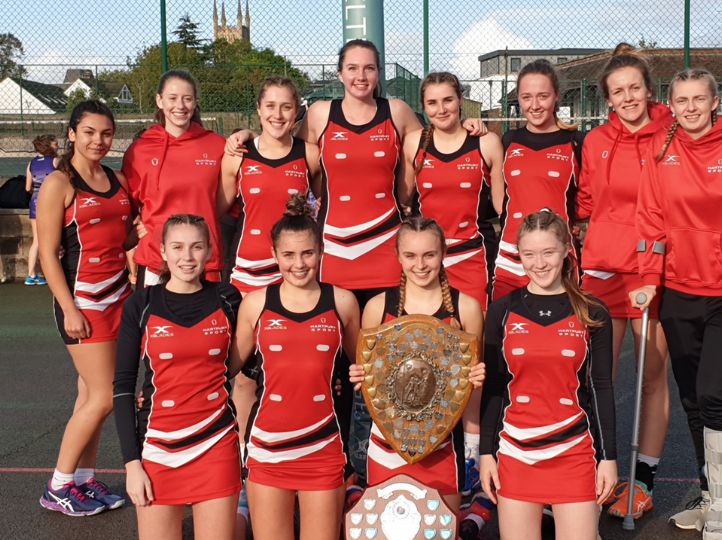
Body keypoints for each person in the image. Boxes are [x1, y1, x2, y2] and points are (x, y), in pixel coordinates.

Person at [226, 39, 485, 484]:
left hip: (384, 254)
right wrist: (246, 135)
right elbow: (280, 137)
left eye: (368, 68)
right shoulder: (322, 114)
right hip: (335, 258)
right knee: (340, 365)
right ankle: (341, 462)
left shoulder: (399, 111)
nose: (360, 76)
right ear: (340, 72)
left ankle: (413, 456)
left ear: (378, 72)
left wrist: (474, 125)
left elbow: (435, 140)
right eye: (352, 68)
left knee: (392, 360)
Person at [630, 68, 722, 540]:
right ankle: (711, 494)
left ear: (714, 102)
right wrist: (648, 279)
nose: (689, 108)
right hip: (678, 289)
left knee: (714, 395)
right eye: (681, 100)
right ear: (672, 103)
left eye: (698, 99)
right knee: (690, 398)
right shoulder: (660, 149)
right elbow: (649, 217)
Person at [480, 210, 616, 540]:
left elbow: (602, 388)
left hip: (571, 451)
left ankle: (582, 522)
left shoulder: (592, 312)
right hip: (517, 450)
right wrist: (486, 453)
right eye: (529, 254)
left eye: (548, 253)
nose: (539, 264)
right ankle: (539, 513)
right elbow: (494, 387)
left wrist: (608, 459)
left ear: (566, 252)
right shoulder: (501, 311)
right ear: (518, 255)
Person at [231, 195, 360, 540]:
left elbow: (366, 368)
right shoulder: (255, 304)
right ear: (274, 253)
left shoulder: (342, 301)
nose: (298, 264)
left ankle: (346, 493)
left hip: (322, 449)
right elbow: (225, 366)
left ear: (321, 251)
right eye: (288, 255)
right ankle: (240, 503)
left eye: (307, 253)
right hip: (269, 450)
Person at [113, 214, 247, 540]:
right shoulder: (140, 304)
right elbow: (123, 386)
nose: (187, 256)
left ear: (209, 252)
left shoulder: (228, 298)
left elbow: (250, 361)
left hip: (215, 441)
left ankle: (243, 512)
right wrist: (132, 464)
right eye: (178, 247)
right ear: (163, 252)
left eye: (196, 247)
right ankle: (159, 531)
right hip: (159, 445)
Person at [349, 217, 487, 540]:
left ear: (443, 254)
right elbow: (371, 388)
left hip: (442, 448)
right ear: (397, 255)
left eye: (429, 255)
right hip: (387, 446)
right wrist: (359, 377)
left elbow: (469, 388)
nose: (420, 264)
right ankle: (353, 494)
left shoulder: (466, 308)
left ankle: (477, 516)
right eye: (410, 255)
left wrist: (472, 444)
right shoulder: (377, 307)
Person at [576, 44, 672, 519]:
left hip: (654, 269)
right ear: (607, 99)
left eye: (635, 87)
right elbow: (587, 200)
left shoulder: (673, 132)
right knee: (600, 377)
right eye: (619, 91)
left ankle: (645, 477)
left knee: (651, 374)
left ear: (649, 90)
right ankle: (600, 469)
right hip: (604, 271)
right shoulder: (596, 141)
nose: (628, 97)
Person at [36, 101, 133, 516]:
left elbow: (122, 238)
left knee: (89, 394)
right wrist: (69, 309)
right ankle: (57, 486)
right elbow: (47, 254)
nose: (99, 140)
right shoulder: (59, 183)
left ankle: (83, 479)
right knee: (105, 395)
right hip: (83, 302)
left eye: (106, 133)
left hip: (118, 298)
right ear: (72, 133)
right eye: (90, 132)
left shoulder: (117, 177)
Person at [219, 76, 322, 447]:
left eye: (286, 107)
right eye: (270, 106)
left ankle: (294, 450)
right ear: (259, 110)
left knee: (293, 369)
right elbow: (222, 210)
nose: (278, 114)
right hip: (248, 275)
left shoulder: (309, 154)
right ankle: (247, 460)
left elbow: (319, 209)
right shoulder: (238, 155)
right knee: (244, 376)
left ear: (296, 112)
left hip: (296, 276)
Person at [400, 71, 505, 310]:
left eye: (448, 100)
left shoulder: (486, 143)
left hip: (473, 256)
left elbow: (502, 207)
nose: (441, 109)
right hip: (425, 260)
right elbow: (401, 198)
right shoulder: (414, 142)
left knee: (474, 336)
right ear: (423, 107)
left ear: (460, 99)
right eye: (432, 103)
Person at [123, 69, 226, 287]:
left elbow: (228, 201)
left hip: (203, 261)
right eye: (172, 98)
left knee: (208, 321)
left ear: (195, 102)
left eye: (187, 99)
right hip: (155, 259)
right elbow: (126, 205)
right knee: (152, 321)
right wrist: (133, 232)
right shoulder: (139, 151)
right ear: (159, 100)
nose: (180, 106)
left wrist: (248, 134)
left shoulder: (217, 146)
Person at [493, 60, 583, 301]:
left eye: (542, 96)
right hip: (511, 255)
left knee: (559, 332)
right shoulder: (508, 140)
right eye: (526, 97)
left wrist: (579, 225)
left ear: (556, 97)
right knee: (506, 331)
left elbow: (590, 198)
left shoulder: (576, 141)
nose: (534, 105)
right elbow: (499, 198)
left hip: (556, 256)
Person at [24, 134, 58, 285]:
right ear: (49, 146)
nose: (57, 145)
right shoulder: (56, 161)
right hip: (51, 203)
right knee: (53, 239)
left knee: (36, 240)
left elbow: (27, 187)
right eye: (55, 143)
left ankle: (31, 275)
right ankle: (52, 273)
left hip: (35, 202)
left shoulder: (31, 163)